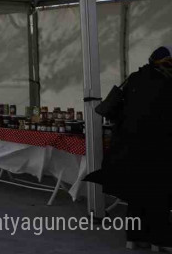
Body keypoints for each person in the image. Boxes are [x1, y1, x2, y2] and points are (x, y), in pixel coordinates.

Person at [85, 46, 172, 251]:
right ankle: (160, 240)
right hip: (156, 150)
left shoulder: (134, 78)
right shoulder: (167, 84)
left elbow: (118, 113)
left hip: (129, 149)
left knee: (136, 195)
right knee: (158, 196)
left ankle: (133, 238)